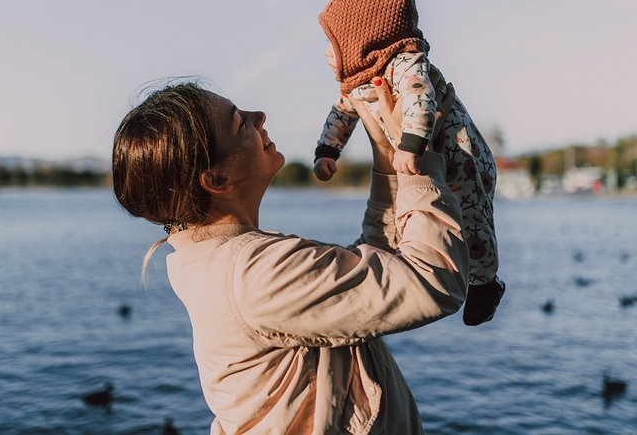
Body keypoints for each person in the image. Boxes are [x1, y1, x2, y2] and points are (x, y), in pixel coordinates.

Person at [112, 80, 470, 433]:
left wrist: (389, 155)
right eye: (239, 122)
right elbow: (433, 279)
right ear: (217, 179)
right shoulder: (252, 271)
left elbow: (378, 266)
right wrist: (415, 163)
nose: (259, 116)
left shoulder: (221, 263)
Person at [313, 0, 504, 323]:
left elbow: (422, 95)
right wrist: (327, 150)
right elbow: (342, 112)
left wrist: (411, 142)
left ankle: (485, 283)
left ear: (363, 39)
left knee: (474, 220)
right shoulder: (356, 81)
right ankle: (413, 266)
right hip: (421, 164)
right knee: (417, 219)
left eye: (333, 42)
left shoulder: (403, 63)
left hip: (461, 158)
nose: (327, 53)